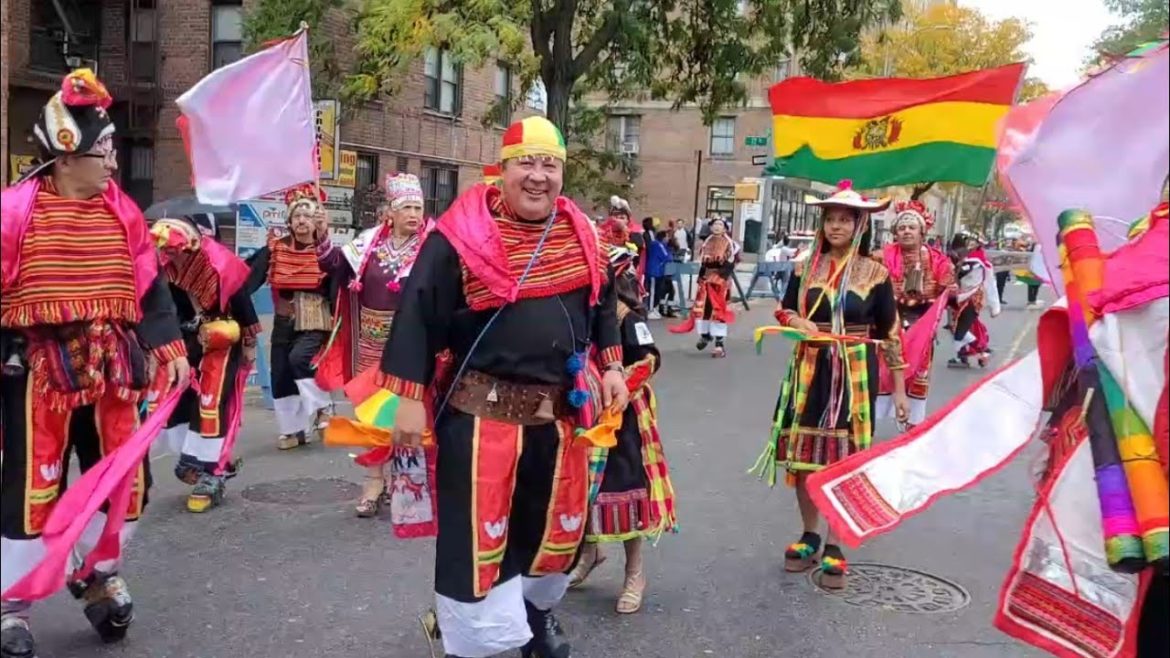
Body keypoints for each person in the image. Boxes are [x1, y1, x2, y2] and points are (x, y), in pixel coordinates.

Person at [379, 116, 629, 658]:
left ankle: (536, 618)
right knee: (479, 537)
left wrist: (611, 365)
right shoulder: (459, 235)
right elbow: (418, 312)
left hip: (559, 418)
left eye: (550, 165)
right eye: (527, 163)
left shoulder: (582, 233)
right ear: (503, 169)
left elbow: (603, 299)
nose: (538, 177)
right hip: (479, 417)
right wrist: (407, 398)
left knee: (548, 532)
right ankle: (476, 641)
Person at [1, 69, 189, 655]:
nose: (112, 165)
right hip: (38, 371)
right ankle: (13, 599)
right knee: (31, 484)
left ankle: (95, 569)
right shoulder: (13, 215)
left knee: (125, 479)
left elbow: (149, 284)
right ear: (64, 155)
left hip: (114, 370)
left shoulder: (123, 213)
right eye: (102, 152)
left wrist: (169, 343)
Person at [750, 180, 908, 590]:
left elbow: (890, 331)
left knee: (845, 459)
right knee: (803, 454)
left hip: (854, 371)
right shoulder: (806, 267)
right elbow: (784, 309)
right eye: (831, 219)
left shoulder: (875, 273)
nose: (836, 226)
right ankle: (810, 533)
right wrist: (796, 322)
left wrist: (902, 389)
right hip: (810, 365)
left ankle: (838, 541)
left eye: (845, 220)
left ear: (860, 226)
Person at [569, 245, 677, 614]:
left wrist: (615, 385)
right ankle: (590, 552)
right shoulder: (574, 311)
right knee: (581, 489)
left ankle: (634, 572)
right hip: (581, 413)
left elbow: (650, 359)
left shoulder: (627, 317)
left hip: (620, 417)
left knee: (624, 491)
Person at [316, 173, 429, 517]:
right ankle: (373, 480)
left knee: (405, 416)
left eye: (418, 208)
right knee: (370, 414)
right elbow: (333, 266)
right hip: (369, 342)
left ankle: (406, 484)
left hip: (410, 345)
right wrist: (321, 236)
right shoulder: (369, 244)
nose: (414, 214)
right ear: (390, 213)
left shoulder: (431, 246)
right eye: (407, 207)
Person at [152, 213, 260, 513]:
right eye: (168, 251)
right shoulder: (164, 267)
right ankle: (200, 459)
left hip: (224, 339)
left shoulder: (221, 265)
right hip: (188, 340)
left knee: (211, 401)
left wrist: (250, 345)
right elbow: (165, 310)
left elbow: (243, 305)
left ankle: (211, 470)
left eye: (177, 251)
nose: (172, 256)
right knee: (174, 399)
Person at [245, 184, 339, 449]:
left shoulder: (326, 251)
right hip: (284, 318)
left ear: (317, 220)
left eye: (307, 215)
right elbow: (247, 279)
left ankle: (323, 407)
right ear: (289, 219)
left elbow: (339, 282)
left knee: (301, 359)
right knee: (282, 371)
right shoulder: (276, 248)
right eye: (297, 215)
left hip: (316, 317)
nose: (301, 220)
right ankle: (293, 430)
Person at [873, 201, 954, 428]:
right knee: (881, 373)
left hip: (921, 325)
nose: (906, 231)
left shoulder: (938, 260)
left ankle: (911, 423)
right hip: (888, 323)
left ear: (922, 231)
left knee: (918, 373)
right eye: (902, 228)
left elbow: (950, 290)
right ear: (895, 232)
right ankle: (869, 423)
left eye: (912, 227)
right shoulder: (879, 257)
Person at [668, 217, 739, 358]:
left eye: (720, 225)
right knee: (703, 310)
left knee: (718, 310)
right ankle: (705, 335)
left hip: (720, 281)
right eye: (714, 224)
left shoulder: (730, 244)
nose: (717, 227)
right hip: (706, 280)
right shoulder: (707, 242)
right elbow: (704, 264)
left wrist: (721, 276)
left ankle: (719, 345)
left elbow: (731, 263)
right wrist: (701, 277)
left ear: (725, 228)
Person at [948, 234, 1000, 367]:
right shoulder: (960, 260)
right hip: (958, 298)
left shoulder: (978, 262)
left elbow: (990, 284)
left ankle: (981, 352)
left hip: (972, 298)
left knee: (959, 329)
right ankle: (967, 355)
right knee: (960, 328)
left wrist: (995, 306)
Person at [644, 231, 674, 319]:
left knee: (657, 291)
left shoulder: (657, 244)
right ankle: (650, 310)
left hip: (658, 271)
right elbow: (667, 257)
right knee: (652, 292)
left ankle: (653, 308)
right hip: (654, 271)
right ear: (663, 237)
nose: (668, 239)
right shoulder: (658, 244)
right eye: (667, 236)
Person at [764, 234, 797, 300]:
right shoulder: (785, 249)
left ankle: (780, 294)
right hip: (784, 268)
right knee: (784, 283)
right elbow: (792, 254)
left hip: (782, 267)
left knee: (780, 281)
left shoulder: (784, 249)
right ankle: (781, 297)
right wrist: (798, 249)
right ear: (789, 242)